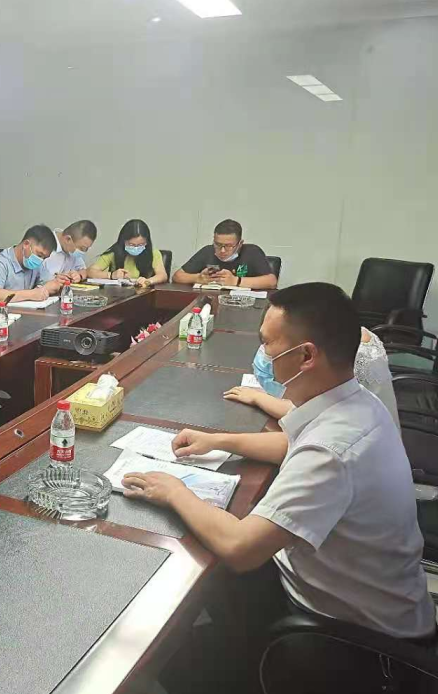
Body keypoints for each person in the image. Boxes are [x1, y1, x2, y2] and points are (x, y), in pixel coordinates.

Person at [122, 283, 434, 694]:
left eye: (268, 343)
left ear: (306, 356)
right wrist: (218, 440)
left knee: (182, 657)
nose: (263, 354)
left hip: (354, 642)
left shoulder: (333, 450)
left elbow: (241, 547)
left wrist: (175, 491)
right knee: (206, 580)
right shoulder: (354, 403)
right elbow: (293, 444)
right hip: (349, 596)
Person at [225, 326, 399, 426]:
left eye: (268, 343)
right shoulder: (350, 334)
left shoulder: (342, 357)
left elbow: (306, 413)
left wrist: (258, 398)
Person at [172, 219, 278, 289]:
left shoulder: (252, 252)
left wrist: (236, 281)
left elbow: (271, 282)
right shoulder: (207, 251)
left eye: (228, 246)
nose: (222, 250)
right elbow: (177, 276)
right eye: (218, 244)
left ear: (240, 244)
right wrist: (198, 278)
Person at [0, 224, 59, 302]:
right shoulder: (0, 263)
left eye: (44, 258)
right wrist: (31, 294)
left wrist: (52, 285)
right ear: (26, 244)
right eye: (39, 255)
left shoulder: (37, 263)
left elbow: (52, 284)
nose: (40, 260)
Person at [87, 219, 168, 287]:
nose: (136, 248)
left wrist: (148, 281)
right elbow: (90, 271)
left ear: (147, 242)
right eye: (131, 244)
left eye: (140, 245)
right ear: (123, 241)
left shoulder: (153, 253)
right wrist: (111, 275)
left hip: (142, 294)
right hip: (117, 295)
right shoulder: (115, 252)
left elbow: (162, 275)